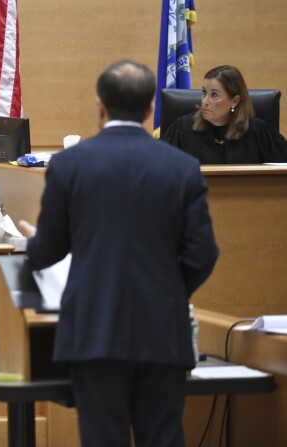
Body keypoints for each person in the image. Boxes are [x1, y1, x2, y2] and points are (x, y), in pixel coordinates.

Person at [18, 60, 219, 447]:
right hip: (163, 331)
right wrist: (169, 293)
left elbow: (47, 253)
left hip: (94, 332)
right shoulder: (183, 167)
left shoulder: (69, 165)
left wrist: (35, 239)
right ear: (149, 111)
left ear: (100, 106)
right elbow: (203, 253)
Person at [162, 65, 287, 164]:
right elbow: (158, 168)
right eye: (204, 92)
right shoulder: (182, 130)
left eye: (214, 95)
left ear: (235, 101)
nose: (205, 101)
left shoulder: (259, 133)